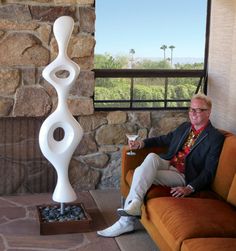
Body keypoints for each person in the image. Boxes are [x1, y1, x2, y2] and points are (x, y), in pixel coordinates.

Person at [97, 93, 225, 237]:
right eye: (191, 109)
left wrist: (189, 188)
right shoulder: (185, 127)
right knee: (151, 157)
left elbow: (209, 171)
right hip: (168, 162)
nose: (193, 113)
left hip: (182, 174)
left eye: (198, 110)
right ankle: (135, 205)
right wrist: (142, 143)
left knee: (140, 172)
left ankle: (125, 222)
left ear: (208, 112)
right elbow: (164, 139)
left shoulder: (215, 138)